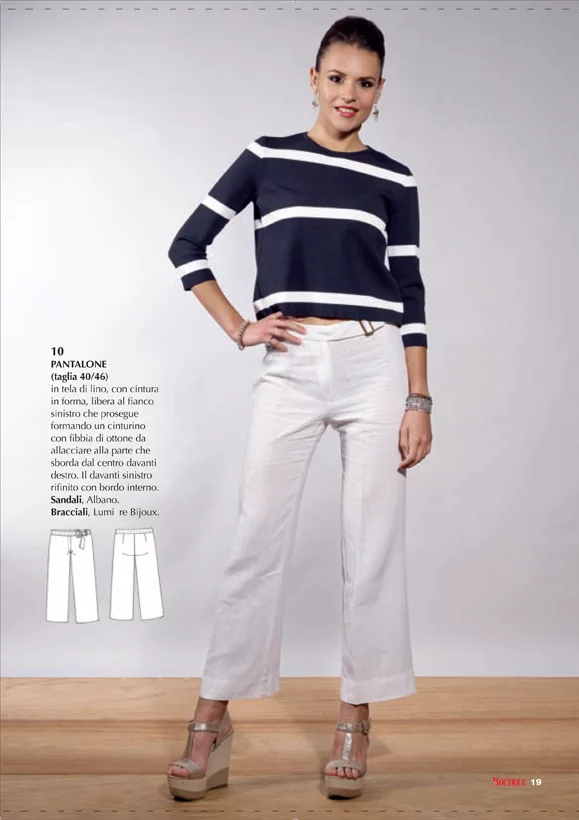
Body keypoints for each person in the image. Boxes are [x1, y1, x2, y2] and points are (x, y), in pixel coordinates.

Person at [165, 14, 433, 802]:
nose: (350, 93)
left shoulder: (395, 180)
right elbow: (187, 246)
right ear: (313, 79)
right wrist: (240, 327)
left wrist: (418, 397)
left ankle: (356, 718)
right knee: (256, 538)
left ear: (380, 91)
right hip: (289, 363)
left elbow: (412, 292)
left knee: (371, 542)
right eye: (337, 77)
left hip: (373, 362)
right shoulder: (266, 157)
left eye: (365, 82)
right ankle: (212, 720)